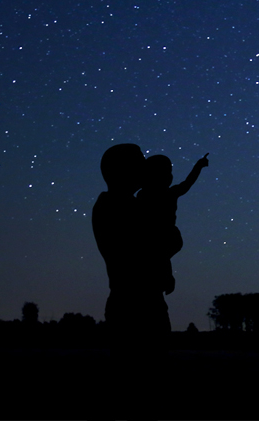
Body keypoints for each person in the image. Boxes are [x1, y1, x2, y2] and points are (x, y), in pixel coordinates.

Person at [91, 143, 161, 419]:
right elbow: (156, 245)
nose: (145, 168)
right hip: (135, 305)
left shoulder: (116, 205)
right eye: (139, 163)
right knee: (137, 387)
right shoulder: (120, 207)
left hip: (132, 301)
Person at [137, 152, 209, 302]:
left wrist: (198, 166)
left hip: (165, 236)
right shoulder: (152, 195)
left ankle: (163, 280)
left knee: (158, 256)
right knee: (158, 257)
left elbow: (187, 183)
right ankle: (164, 280)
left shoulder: (152, 195)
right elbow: (187, 183)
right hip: (160, 237)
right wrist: (198, 166)